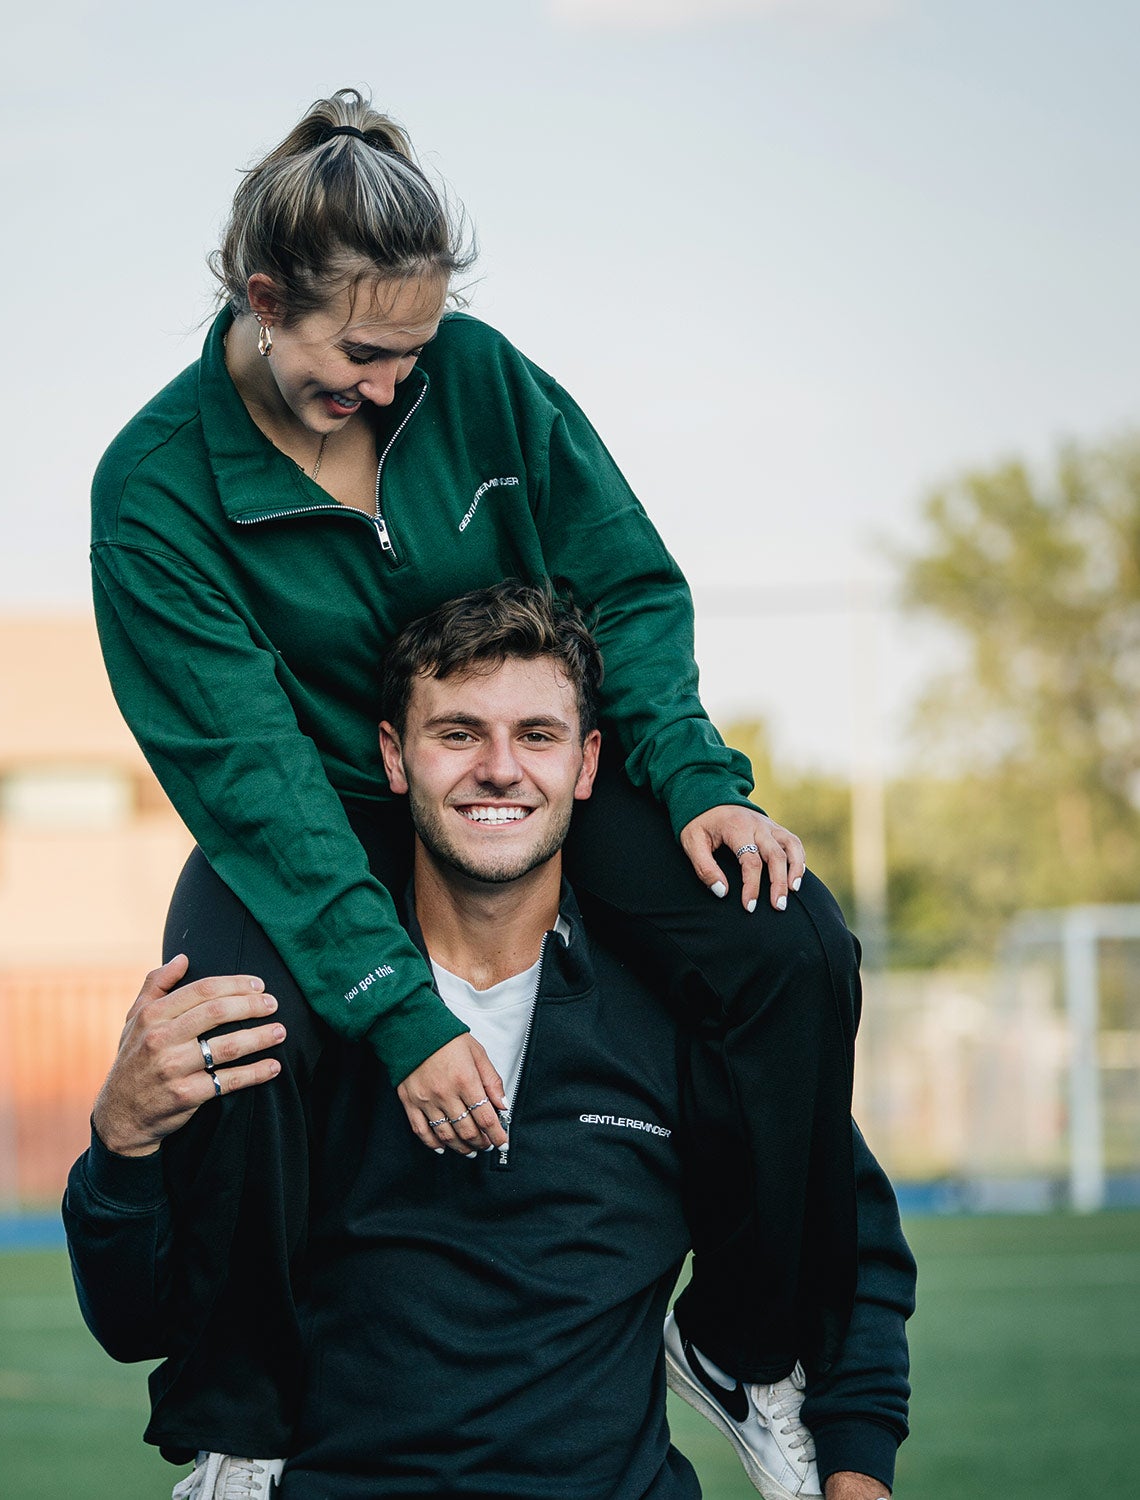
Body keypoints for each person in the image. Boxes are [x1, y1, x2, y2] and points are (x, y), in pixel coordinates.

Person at [90, 86, 863, 1481]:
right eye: (361, 354)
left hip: (492, 773)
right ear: (267, 297)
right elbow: (253, 778)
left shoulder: (487, 378)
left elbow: (621, 584)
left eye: (414, 350)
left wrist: (694, 780)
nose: (391, 386)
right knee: (236, 1028)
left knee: (789, 946)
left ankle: (747, 1345)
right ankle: (235, 1430)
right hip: (320, 810)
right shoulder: (154, 493)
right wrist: (396, 1014)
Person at [65, 584, 914, 1500]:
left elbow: (844, 1240)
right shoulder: (293, 1019)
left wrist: (858, 1473)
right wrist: (121, 1139)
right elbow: (135, 1320)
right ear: (395, 757)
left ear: (589, 764)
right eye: (458, 733)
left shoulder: (682, 1016)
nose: (501, 769)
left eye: (538, 736)